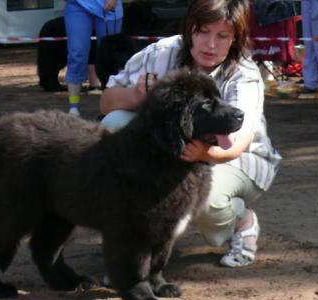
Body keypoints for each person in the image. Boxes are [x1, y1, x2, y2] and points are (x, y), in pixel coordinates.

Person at [99, 0, 281, 267]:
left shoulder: (244, 73)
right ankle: (133, 233)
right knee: (114, 124)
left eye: (222, 36)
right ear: (188, 29)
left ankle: (241, 220)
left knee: (204, 197)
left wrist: (205, 153)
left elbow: (239, 140)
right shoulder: (161, 52)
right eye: (202, 31)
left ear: (235, 39)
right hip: (173, 147)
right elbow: (106, 104)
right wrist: (136, 95)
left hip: (234, 156)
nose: (210, 44)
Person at [64, 0, 123, 116]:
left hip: (109, 7)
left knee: (111, 56)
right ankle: (73, 107)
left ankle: (113, 106)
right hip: (77, 6)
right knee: (77, 53)